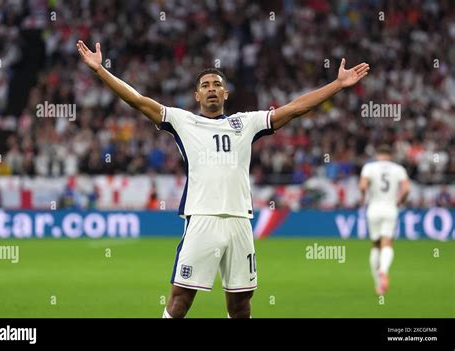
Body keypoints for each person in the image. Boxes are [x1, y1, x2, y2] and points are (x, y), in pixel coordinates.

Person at [77, 40, 370, 318]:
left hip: (240, 220)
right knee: (180, 299)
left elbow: (295, 109)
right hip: (202, 217)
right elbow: (138, 100)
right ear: (197, 95)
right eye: (205, 86)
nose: (212, 89)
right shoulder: (183, 121)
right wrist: (101, 70)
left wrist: (338, 84)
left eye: (217, 84)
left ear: (226, 94)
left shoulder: (246, 123)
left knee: (241, 304)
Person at [359, 145, 410, 295]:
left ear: (378, 154)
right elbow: (406, 189)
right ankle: (384, 270)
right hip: (390, 209)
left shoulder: (369, 167)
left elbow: (362, 185)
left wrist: (363, 197)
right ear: (390, 155)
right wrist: (401, 201)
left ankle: (378, 283)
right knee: (387, 242)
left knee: (375, 245)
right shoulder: (398, 169)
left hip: (374, 208)